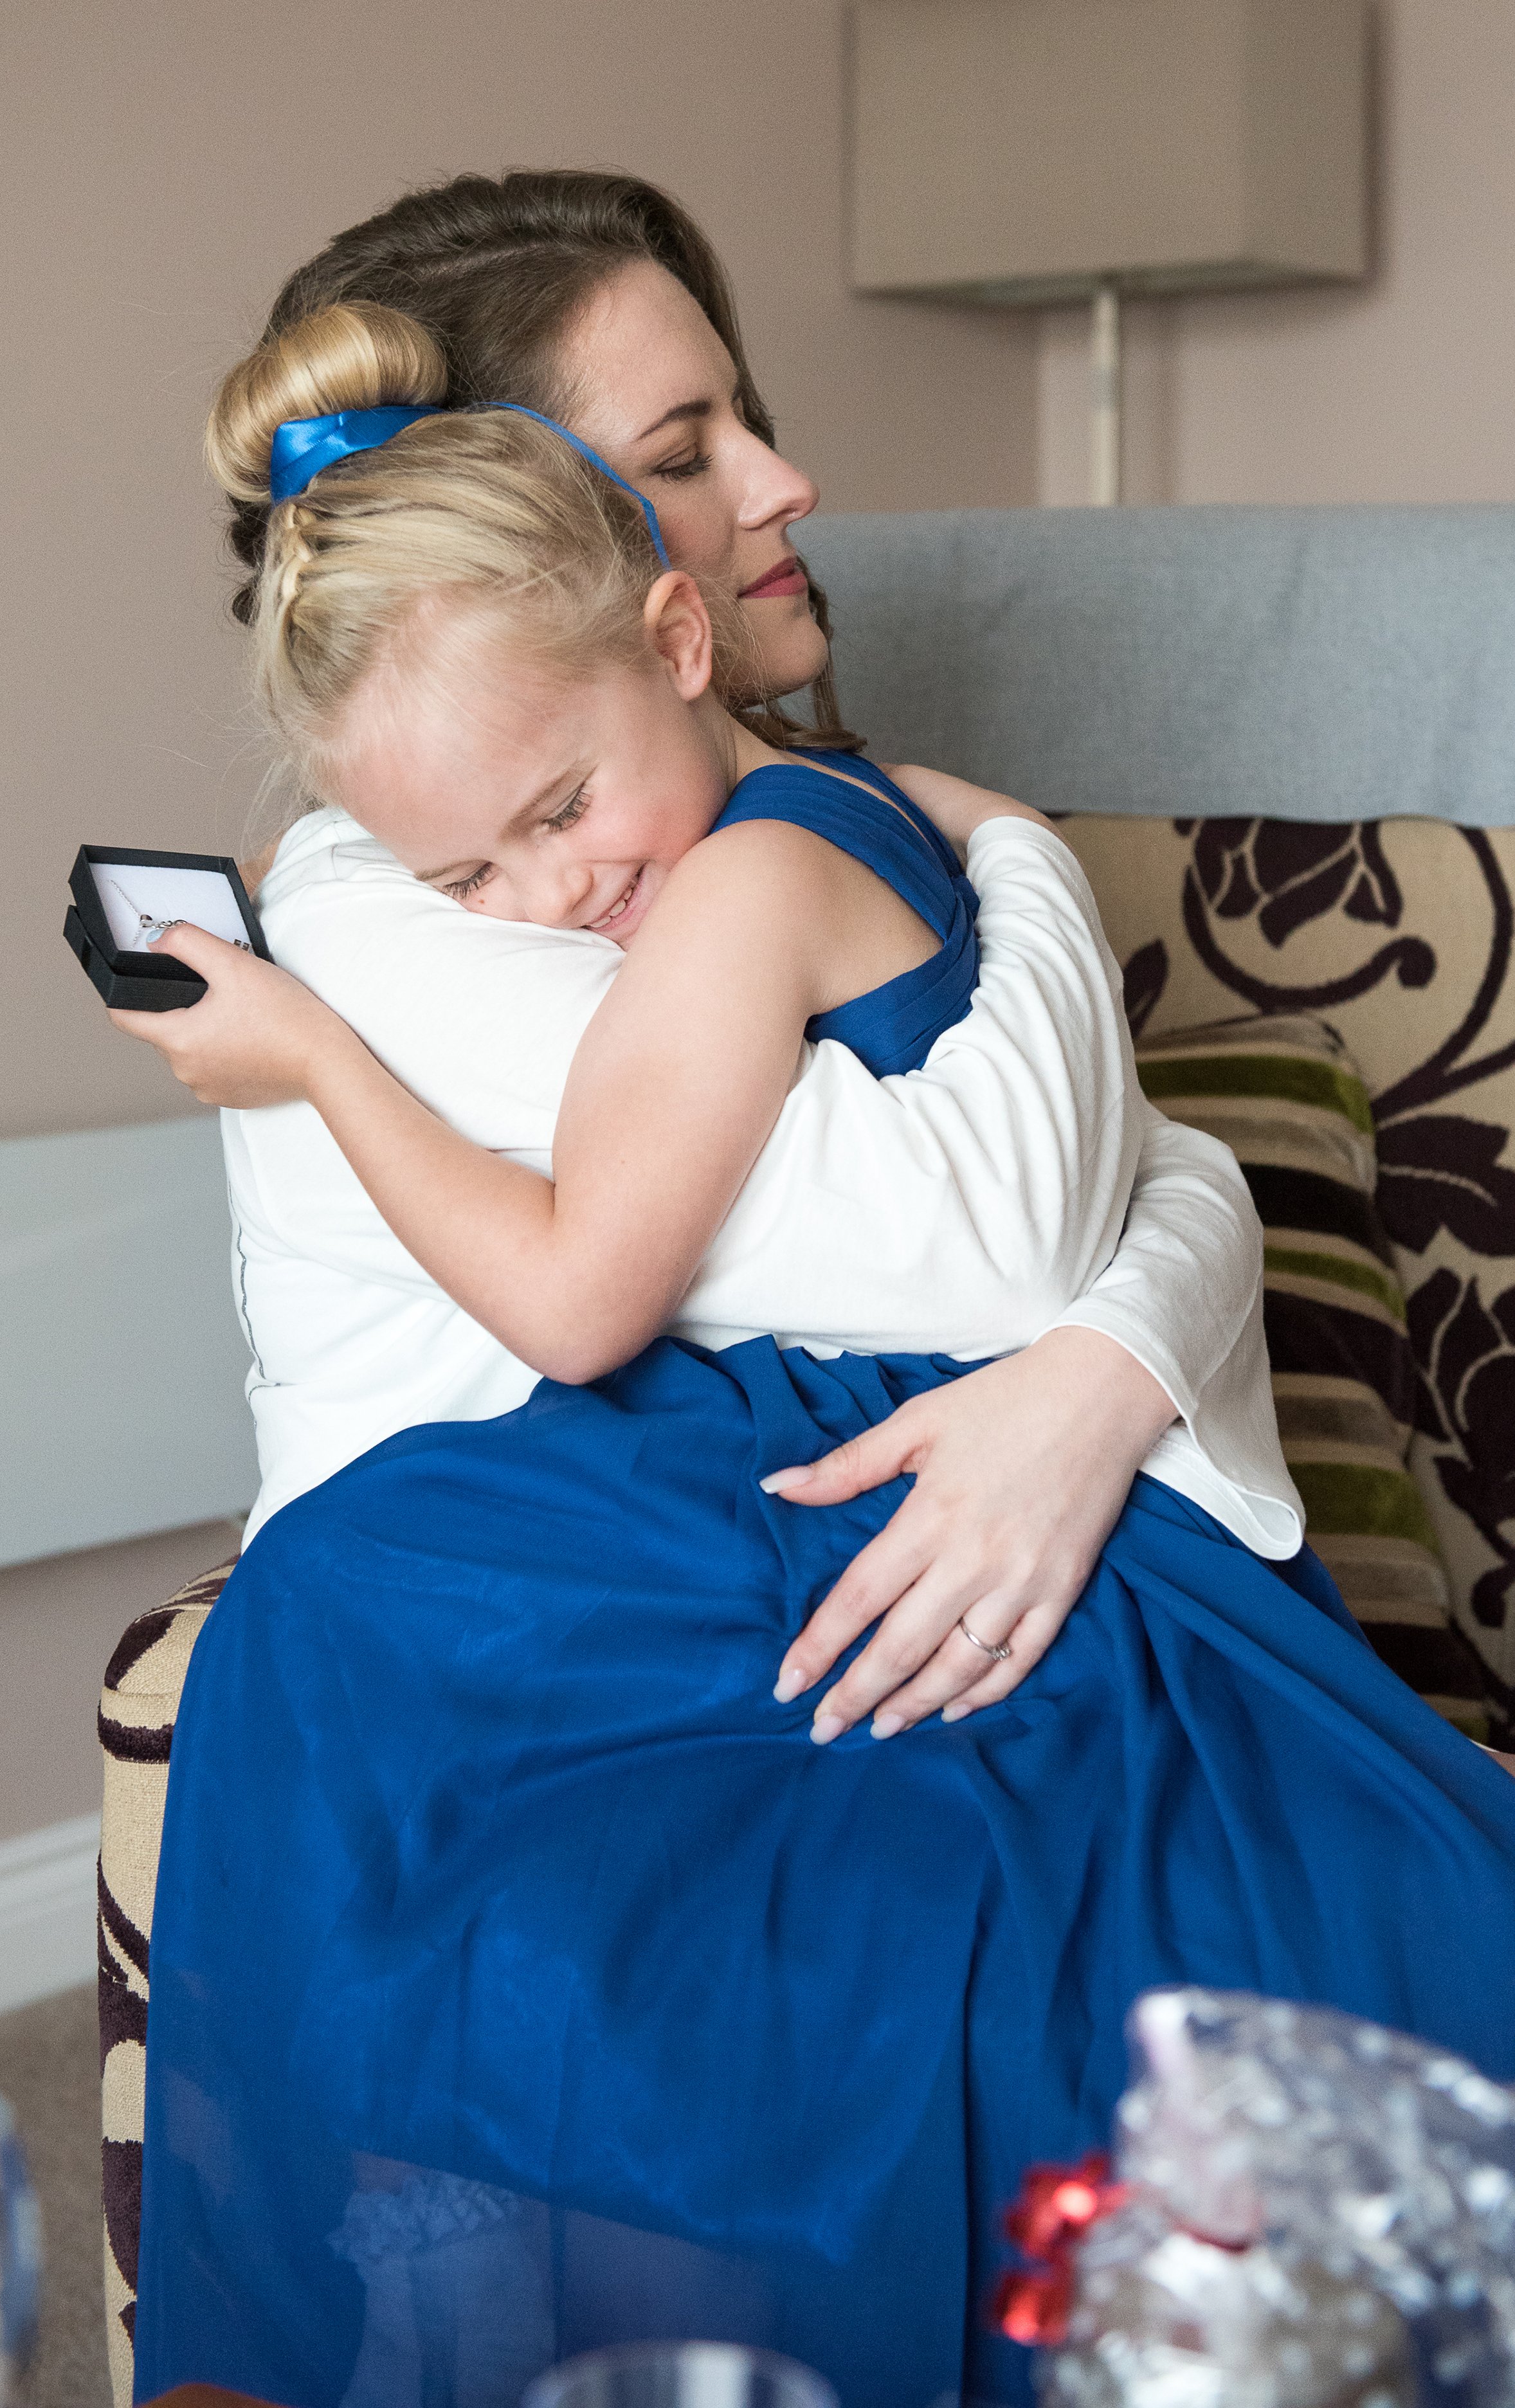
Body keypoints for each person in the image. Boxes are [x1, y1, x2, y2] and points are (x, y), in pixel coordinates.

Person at [113, 294, 1515, 2408]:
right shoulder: (853, 814)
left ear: (671, 641)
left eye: (561, 810)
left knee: (451, 1742)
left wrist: (309, 1046)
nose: (549, 894)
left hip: (866, 1465)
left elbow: (586, 1291)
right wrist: (1009, 840)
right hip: (934, 1449)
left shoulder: (726, 891)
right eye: (466, 870)